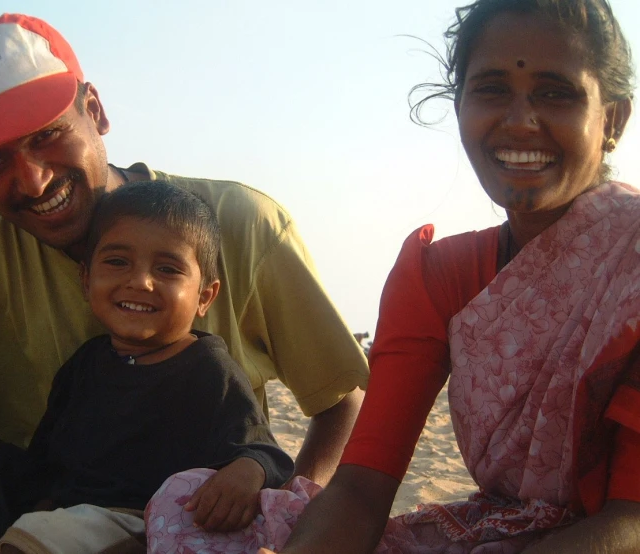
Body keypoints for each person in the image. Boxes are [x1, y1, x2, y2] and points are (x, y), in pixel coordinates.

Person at [0, 12, 368, 552]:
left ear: (94, 110)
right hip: (35, 507)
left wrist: (286, 522)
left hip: (185, 521)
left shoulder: (236, 224)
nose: (32, 180)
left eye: (47, 135)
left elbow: (342, 398)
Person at [264, 0, 638, 552]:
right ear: (459, 104)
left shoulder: (630, 266)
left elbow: (631, 518)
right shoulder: (438, 279)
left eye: (555, 92)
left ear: (612, 120)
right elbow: (362, 487)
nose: (519, 120)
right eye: (491, 89)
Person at [0, 180, 294, 553]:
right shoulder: (84, 364)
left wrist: (247, 473)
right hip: (76, 518)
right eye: (117, 261)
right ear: (86, 279)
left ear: (204, 296)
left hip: (159, 524)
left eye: (168, 269)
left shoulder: (207, 367)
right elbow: (46, 459)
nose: (139, 281)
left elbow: (265, 452)